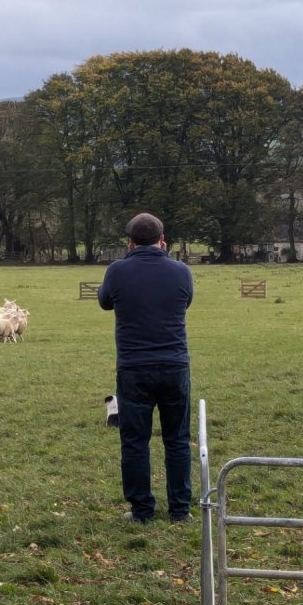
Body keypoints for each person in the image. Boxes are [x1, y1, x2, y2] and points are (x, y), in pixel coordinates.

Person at [98, 213, 194, 524]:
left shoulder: (118, 270)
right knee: (177, 439)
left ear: (130, 242)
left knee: (135, 441)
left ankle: (142, 511)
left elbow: (104, 302)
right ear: (162, 240)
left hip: (134, 367)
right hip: (174, 365)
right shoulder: (181, 271)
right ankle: (180, 510)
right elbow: (185, 301)